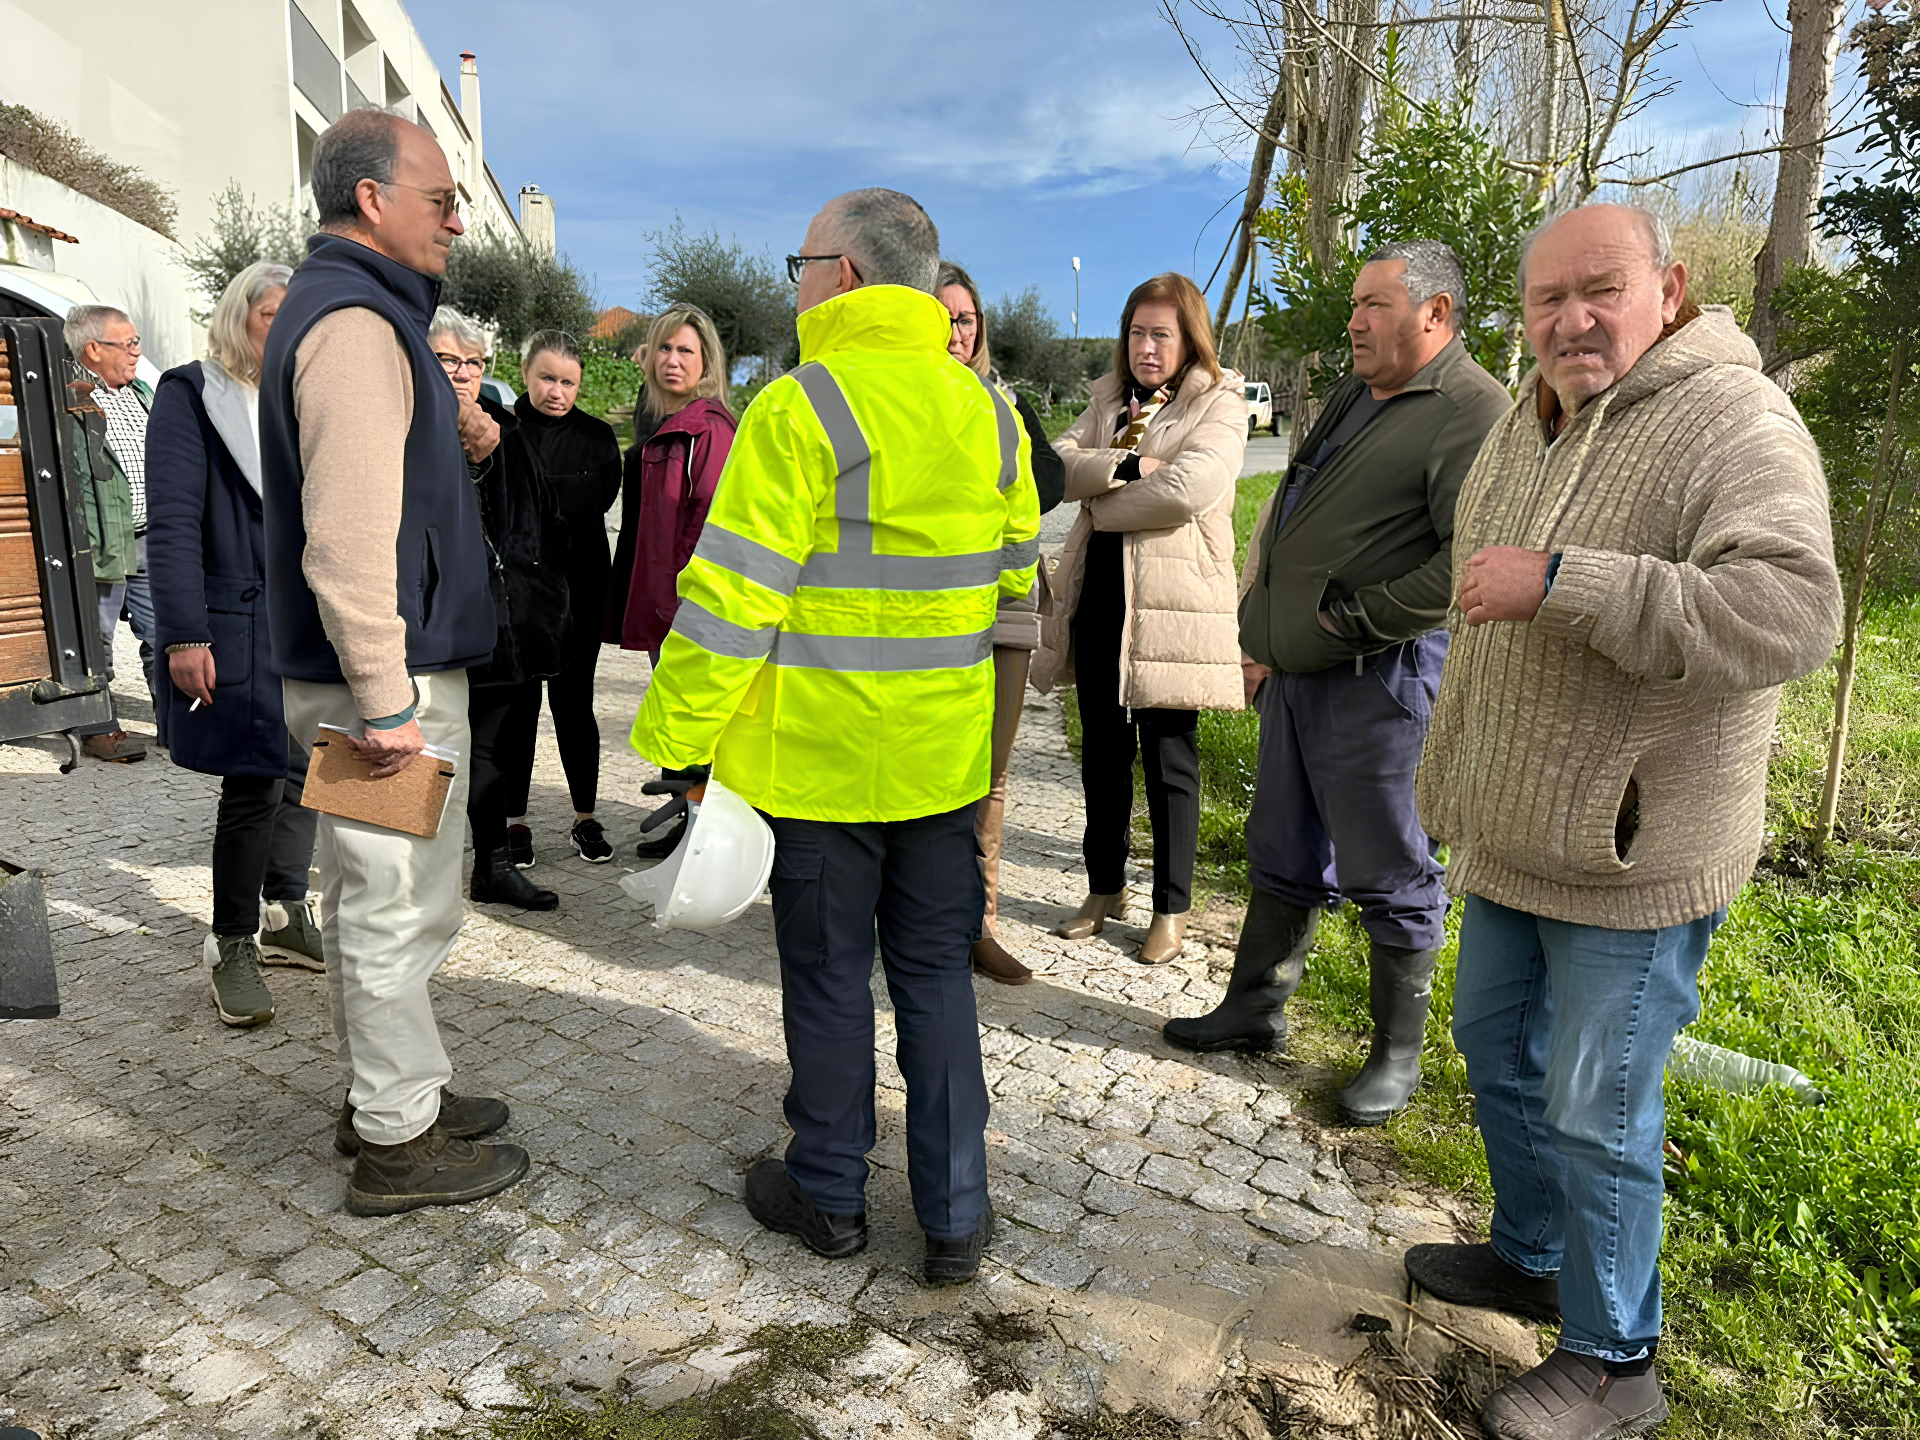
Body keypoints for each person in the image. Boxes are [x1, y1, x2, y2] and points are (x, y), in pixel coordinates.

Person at [1405, 204, 1840, 1440]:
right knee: (1499, 1057)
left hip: (1632, 858)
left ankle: (1616, 1362)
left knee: (1597, 1111)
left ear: (1671, 287)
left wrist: (1567, 583)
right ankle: (1532, 1257)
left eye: (1600, 290)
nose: (1570, 320)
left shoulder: (1735, 418)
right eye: (1546, 300)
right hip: (1513, 838)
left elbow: (1794, 611)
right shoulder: (1530, 423)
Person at [630, 188, 1040, 1286]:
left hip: (816, 770)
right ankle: (956, 1215)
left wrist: (676, 740)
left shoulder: (799, 408)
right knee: (936, 983)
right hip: (942, 767)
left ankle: (827, 1192)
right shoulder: (990, 414)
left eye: (800, 259)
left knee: (825, 982)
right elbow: (1012, 590)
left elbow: (729, 602)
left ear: (846, 275)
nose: (793, 279)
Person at [1164, 241, 1510, 1128]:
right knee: (1281, 839)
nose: (1354, 320)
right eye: (1355, 303)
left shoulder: (1471, 409)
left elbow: (1462, 564)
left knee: (1389, 863)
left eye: (1376, 305)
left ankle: (1396, 1055)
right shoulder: (1361, 390)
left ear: (1436, 315)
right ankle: (1256, 1006)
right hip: (1301, 672)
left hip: (1381, 676)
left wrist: (1346, 622)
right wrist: (1270, 626)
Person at [260, 109, 527, 1216]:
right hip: (385, 686)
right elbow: (347, 541)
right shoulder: (358, 326)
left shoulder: (362, 318)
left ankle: (398, 1090)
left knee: (398, 899)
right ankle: (394, 1140)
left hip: (387, 677)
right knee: (388, 902)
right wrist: (387, 703)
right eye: (439, 198)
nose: (457, 220)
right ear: (370, 198)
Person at [1033, 273, 1246, 964]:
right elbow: (1058, 469)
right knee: (1101, 752)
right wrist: (1129, 466)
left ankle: (1171, 908)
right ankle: (1104, 889)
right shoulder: (1106, 400)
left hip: (1174, 607)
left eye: (1161, 334)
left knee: (1169, 760)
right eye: (1136, 333)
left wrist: (1101, 498)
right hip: (1103, 597)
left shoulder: (1220, 400)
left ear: (1189, 338)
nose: (1146, 348)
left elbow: (1188, 491)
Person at [146, 260, 327, 1029]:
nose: (282, 329)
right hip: (236, 615)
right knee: (254, 779)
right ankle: (232, 941)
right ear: (237, 314)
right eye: (270, 314)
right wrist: (184, 630)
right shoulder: (191, 394)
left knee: (309, 766)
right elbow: (175, 519)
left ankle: (286, 908)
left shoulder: (299, 399)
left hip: (305, 617)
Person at [934, 261, 1065, 986]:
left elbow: (1047, 480)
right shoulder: (906, 402)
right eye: (943, 317)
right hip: (930, 610)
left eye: (966, 319)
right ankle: (913, 918)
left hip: (1007, 613)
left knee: (992, 774)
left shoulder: (1004, 402)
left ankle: (978, 924)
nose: (955, 332)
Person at [429, 307, 571, 912]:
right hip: (422, 624)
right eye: (446, 360)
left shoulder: (506, 430)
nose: (462, 373)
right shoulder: (399, 422)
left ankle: (491, 866)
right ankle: (407, 876)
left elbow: (543, 521)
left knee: (488, 753)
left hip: (497, 623)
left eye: (474, 362)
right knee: (413, 749)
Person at [604, 305, 738, 860]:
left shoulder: (707, 430)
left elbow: (708, 520)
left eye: (685, 350)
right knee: (677, 715)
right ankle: (687, 822)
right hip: (666, 608)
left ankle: (704, 837)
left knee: (695, 721)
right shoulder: (666, 426)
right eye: (664, 348)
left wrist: (680, 603)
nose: (672, 360)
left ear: (706, 361)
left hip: (687, 609)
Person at [507, 329, 622, 867]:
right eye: (547, 378)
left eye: (568, 382)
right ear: (527, 374)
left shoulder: (599, 439)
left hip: (581, 592)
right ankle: (515, 822)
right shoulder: (502, 430)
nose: (557, 390)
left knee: (576, 705)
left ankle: (584, 817)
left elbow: (591, 501)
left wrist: (538, 489)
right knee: (520, 710)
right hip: (519, 595)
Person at [63, 304, 158, 763]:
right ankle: (99, 728)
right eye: (130, 343)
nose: (138, 352)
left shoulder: (140, 391)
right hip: (98, 538)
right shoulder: (65, 394)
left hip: (148, 535)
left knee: (167, 632)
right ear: (94, 348)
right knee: (96, 638)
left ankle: (183, 722)